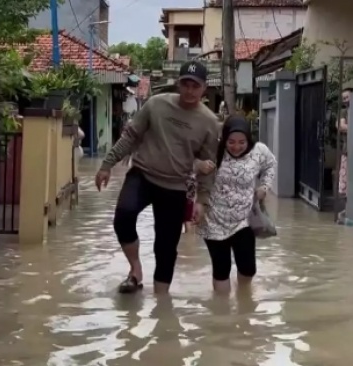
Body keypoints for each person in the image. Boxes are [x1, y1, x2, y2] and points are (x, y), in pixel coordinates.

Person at [95, 61, 219, 295]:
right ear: (178, 84)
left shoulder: (209, 123)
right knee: (124, 215)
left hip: (175, 186)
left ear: (204, 88)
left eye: (196, 86)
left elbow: (208, 166)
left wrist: (202, 201)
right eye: (186, 84)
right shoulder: (156, 105)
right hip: (142, 174)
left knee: (166, 247)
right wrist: (107, 164)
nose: (190, 91)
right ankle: (135, 269)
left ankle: (162, 303)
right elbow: (130, 136)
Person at [198, 115, 277, 293]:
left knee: (248, 269)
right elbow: (188, 162)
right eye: (231, 142)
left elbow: (271, 165)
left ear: (248, 139)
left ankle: (244, 300)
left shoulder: (259, 151)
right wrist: (199, 166)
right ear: (224, 138)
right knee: (221, 270)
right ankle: (222, 314)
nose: (236, 146)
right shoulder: (212, 151)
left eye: (241, 142)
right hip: (214, 221)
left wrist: (264, 187)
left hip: (244, 220)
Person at [336, 87, 352, 221]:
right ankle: (347, 208)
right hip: (347, 151)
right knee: (345, 182)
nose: (346, 100)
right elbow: (341, 126)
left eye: (348, 97)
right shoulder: (343, 112)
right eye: (344, 98)